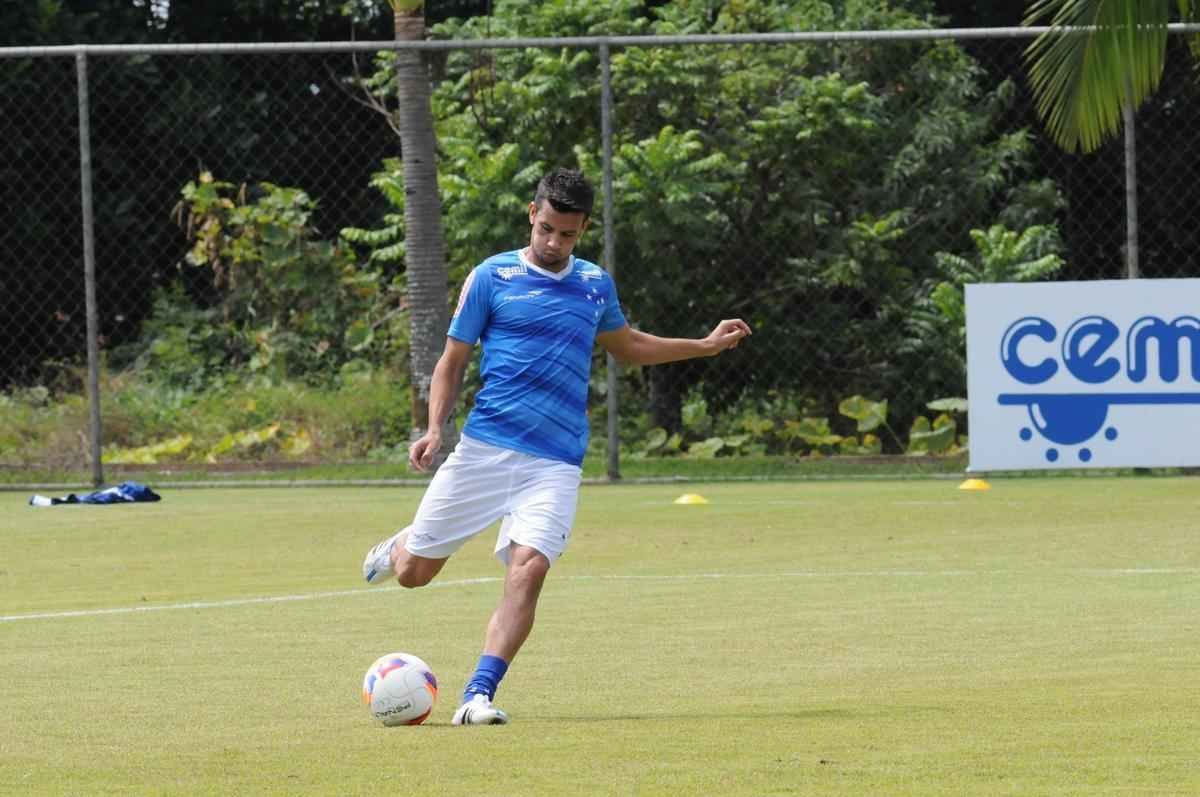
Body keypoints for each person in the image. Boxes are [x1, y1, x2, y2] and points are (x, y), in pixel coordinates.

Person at [361, 167, 751, 725]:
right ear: (531, 214)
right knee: (413, 575)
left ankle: (477, 696)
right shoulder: (491, 277)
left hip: (555, 462)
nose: (553, 242)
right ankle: (403, 542)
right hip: (484, 452)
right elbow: (452, 361)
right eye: (546, 229)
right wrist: (433, 428)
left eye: (567, 234)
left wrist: (704, 346)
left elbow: (627, 345)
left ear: (583, 228)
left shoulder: (595, 285)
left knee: (530, 567)